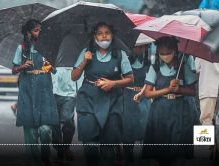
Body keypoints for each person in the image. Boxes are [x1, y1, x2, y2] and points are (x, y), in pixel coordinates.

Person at [71, 21, 134, 166]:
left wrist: (113, 83)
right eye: (100, 33)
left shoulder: (120, 55)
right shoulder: (86, 52)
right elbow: (74, 76)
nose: (104, 37)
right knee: (90, 143)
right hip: (88, 100)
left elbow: (131, 79)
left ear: (112, 35)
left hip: (112, 101)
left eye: (107, 33)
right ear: (94, 36)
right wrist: (84, 62)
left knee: (108, 144)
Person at [12, 19, 61, 166]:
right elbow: (14, 70)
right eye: (36, 30)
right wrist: (23, 66)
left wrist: (49, 66)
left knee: (46, 129)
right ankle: (34, 161)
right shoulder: (21, 48)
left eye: (41, 30)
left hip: (45, 89)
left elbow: (54, 70)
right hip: (27, 90)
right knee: (31, 132)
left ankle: (45, 156)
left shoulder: (48, 47)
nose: (39, 32)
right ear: (28, 33)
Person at [142, 36, 197, 166]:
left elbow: (193, 91)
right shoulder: (155, 67)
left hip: (180, 111)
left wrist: (179, 90)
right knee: (162, 151)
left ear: (175, 50)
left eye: (168, 53)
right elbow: (148, 93)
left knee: (178, 150)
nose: (165, 56)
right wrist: (167, 90)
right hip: (160, 111)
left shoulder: (183, 66)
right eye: (162, 53)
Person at [121, 35, 152, 166]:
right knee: (128, 130)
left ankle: (145, 160)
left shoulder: (149, 63)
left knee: (145, 128)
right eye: (137, 47)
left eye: (143, 47)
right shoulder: (124, 60)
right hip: (127, 97)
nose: (140, 49)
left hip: (144, 98)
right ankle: (128, 159)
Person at [52, 66, 83, 162]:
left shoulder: (74, 55)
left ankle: (65, 147)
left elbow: (80, 70)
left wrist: (80, 89)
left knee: (68, 120)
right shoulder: (52, 54)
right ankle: (60, 149)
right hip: (53, 91)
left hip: (70, 92)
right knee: (54, 122)